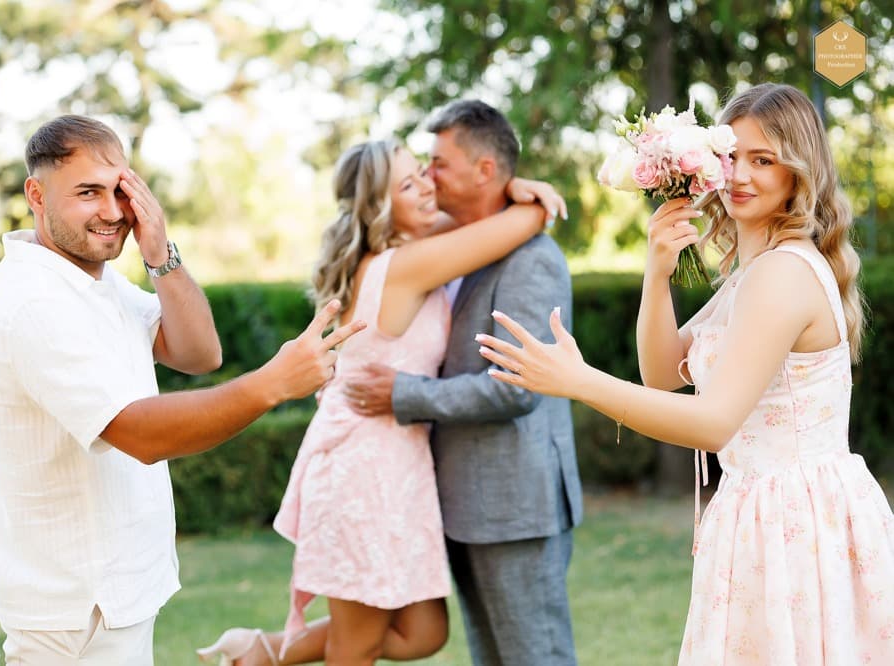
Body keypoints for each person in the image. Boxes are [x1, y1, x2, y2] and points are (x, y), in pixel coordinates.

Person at [477, 83, 894, 665]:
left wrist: (579, 381)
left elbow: (713, 422)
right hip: (763, 511)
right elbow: (662, 371)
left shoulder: (782, 274)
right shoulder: (755, 273)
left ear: (799, 173)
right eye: (732, 157)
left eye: (764, 159)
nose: (741, 176)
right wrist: (657, 271)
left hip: (793, 520)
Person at [0, 114, 364, 665]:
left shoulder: (97, 284)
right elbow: (139, 433)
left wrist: (159, 250)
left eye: (120, 191)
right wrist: (272, 384)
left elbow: (199, 353)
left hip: (115, 596)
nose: (111, 212)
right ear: (36, 194)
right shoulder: (35, 302)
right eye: (88, 192)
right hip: (75, 611)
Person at [195, 135, 563, 666]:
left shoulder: (403, 250)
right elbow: (525, 221)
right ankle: (262, 651)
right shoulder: (403, 266)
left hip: (396, 461)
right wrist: (526, 194)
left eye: (425, 173)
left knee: (423, 631)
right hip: (364, 467)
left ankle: (261, 651)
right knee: (359, 644)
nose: (427, 186)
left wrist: (509, 187)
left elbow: (475, 219)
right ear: (379, 207)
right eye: (408, 183)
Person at [343, 100, 583, 666]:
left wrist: (404, 394)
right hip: (465, 502)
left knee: (535, 657)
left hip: (516, 503)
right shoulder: (458, 248)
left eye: (438, 163)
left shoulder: (531, 262)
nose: (427, 176)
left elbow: (517, 386)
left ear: (483, 171)